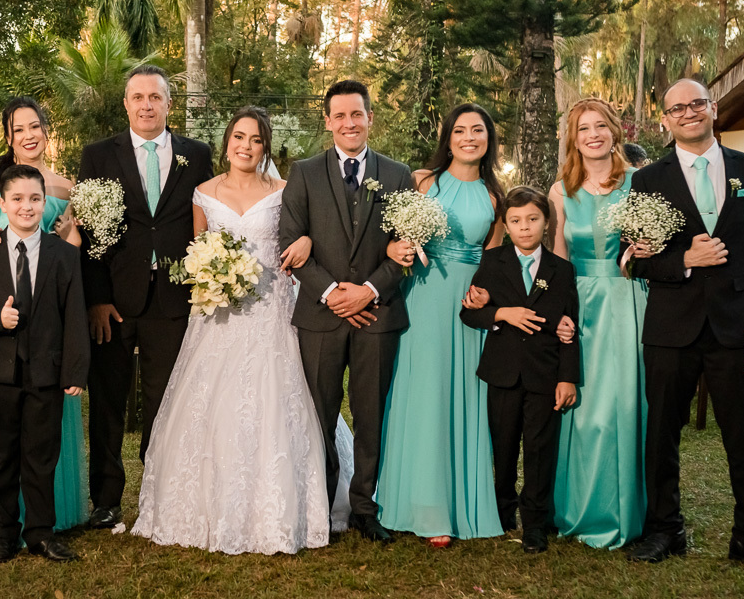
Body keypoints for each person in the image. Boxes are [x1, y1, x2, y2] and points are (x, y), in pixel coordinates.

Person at [133, 107, 355, 554]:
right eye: (239, 137)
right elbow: (198, 251)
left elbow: (308, 232)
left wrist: (307, 239)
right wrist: (213, 275)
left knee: (281, 400)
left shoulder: (285, 190)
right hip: (219, 315)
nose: (246, 146)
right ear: (227, 142)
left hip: (273, 311)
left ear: (265, 146)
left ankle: (288, 506)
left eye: (255, 139)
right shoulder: (203, 194)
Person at [626, 79, 744, 577]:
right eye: (677, 108)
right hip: (671, 326)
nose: (688, 113)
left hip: (736, 328)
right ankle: (665, 529)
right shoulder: (647, 180)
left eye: (696, 104)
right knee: (661, 434)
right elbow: (636, 262)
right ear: (665, 120)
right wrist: (684, 258)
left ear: (713, 108)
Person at [78, 65, 213, 530]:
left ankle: (159, 494)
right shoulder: (98, 155)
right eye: (138, 97)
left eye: (155, 97)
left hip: (173, 300)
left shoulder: (197, 155)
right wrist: (96, 299)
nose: (147, 105)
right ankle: (106, 500)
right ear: (126, 104)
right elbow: (90, 233)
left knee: (165, 402)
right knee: (108, 402)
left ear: (169, 103)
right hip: (114, 300)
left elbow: (208, 218)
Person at [0, 97, 88, 544]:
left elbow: (71, 254)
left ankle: (45, 522)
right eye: (18, 129)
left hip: (46, 329)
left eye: (35, 126)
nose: (28, 135)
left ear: (46, 130)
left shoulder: (65, 186)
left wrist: (71, 235)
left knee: (43, 435)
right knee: (1, 436)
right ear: (8, 136)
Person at [279, 79, 413, 544]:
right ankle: (321, 504)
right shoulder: (304, 173)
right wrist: (334, 293)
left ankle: (364, 507)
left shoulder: (397, 174)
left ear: (370, 117)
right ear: (328, 121)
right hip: (321, 316)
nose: (349, 123)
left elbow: (407, 247)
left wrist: (369, 291)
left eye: (357, 114)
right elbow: (290, 243)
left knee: (370, 414)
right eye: (340, 115)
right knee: (319, 414)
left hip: (378, 314)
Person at [375, 103, 506, 547]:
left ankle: (458, 503)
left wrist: (486, 292)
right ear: (448, 138)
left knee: (463, 393)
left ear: (488, 139)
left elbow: (493, 259)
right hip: (424, 295)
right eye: (460, 130)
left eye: (478, 130)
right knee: (424, 392)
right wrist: (393, 248)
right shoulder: (422, 182)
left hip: (466, 305)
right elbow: (388, 236)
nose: (469, 138)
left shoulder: (495, 197)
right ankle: (417, 504)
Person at [548, 98, 648, 550]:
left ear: (614, 131)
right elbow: (558, 260)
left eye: (600, 126)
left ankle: (629, 510)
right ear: (574, 138)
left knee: (625, 403)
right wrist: (561, 313)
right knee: (584, 406)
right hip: (581, 304)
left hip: (629, 301)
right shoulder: (560, 191)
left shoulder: (639, 184)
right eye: (583, 128)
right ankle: (578, 507)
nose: (593, 135)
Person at [460, 187, 580, 554]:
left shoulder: (562, 270)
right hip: (503, 373)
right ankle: (501, 511)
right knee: (504, 445)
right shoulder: (491, 262)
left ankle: (535, 524)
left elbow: (570, 326)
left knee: (540, 450)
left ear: (546, 222)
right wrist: (501, 313)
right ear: (506, 225)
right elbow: (469, 313)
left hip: (545, 374)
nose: (524, 227)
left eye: (532, 219)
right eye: (515, 221)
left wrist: (567, 377)